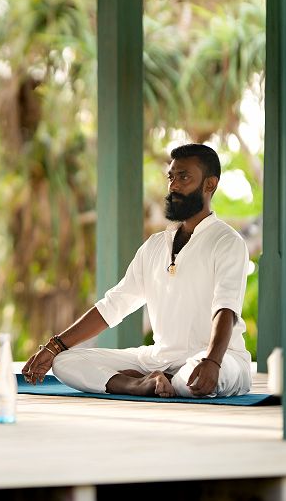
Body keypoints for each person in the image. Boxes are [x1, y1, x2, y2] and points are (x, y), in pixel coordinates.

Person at [22, 143, 252, 398]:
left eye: (184, 177)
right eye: (171, 177)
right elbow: (114, 305)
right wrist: (55, 346)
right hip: (158, 359)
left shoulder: (227, 241)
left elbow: (226, 309)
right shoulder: (154, 245)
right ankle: (139, 385)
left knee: (195, 378)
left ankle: (163, 382)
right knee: (65, 362)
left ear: (210, 184)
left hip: (219, 358)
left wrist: (212, 360)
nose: (173, 186)